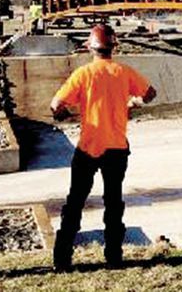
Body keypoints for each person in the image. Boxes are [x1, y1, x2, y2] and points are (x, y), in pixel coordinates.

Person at [49, 24, 157, 271]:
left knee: (75, 202)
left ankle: (62, 260)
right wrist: (133, 101)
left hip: (88, 147)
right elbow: (150, 93)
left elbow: (56, 104)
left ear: (91, 48)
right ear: (112, 48)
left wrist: (63, 113)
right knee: (114, 203)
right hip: (117, 148)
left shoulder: (83, 74)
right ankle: (114, 257)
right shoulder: (124, 71)